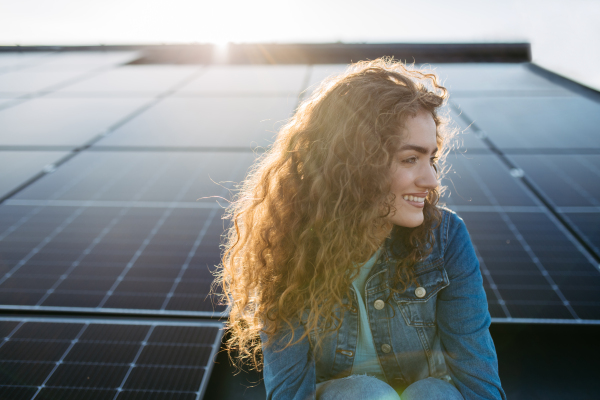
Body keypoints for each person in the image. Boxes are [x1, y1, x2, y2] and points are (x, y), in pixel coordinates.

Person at [214, 58, 506, 400]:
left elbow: (477, 375)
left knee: (433, 394)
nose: (430, 180)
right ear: (355, 164)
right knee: (367, 393)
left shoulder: (447, 237)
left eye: (432, 159)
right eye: (410, 159)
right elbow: (290, 392)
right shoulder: (287, 248)